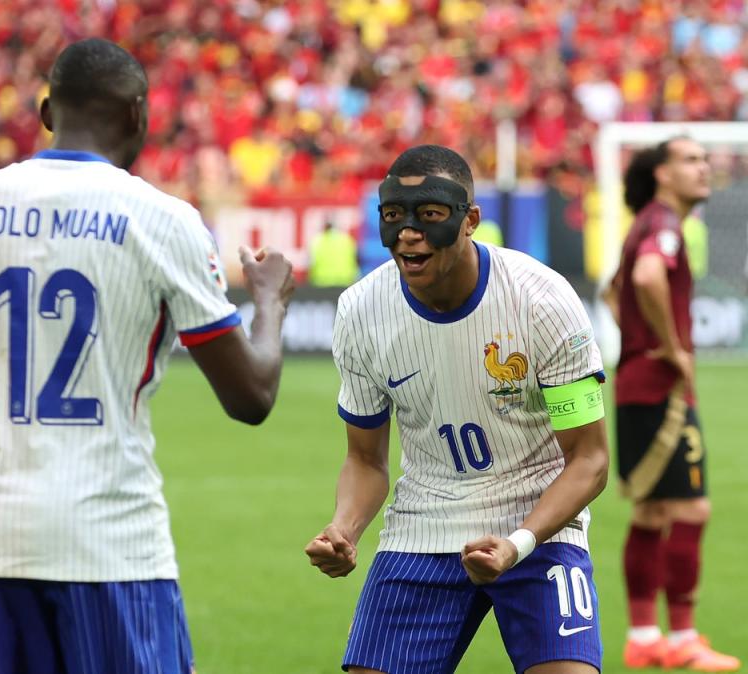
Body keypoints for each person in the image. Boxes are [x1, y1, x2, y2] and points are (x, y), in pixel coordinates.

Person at [0, 38, 294, 674]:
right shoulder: (164, 221)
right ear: (138, 116)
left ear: (47, 113)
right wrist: (269, 303)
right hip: (110, 546)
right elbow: (252, 397)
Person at [305, 144, 610, 674]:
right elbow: (365, 461)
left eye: (430, 215)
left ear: (470, 220)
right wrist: (344, 529)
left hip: (538, 530)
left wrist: (517, 544)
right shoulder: (360, 310)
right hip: (422, 528)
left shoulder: (542, 299)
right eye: (393, 216)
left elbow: (589, 459)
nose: (407, 232)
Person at [607, 138, 740, 672]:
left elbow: (613, 291)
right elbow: (641, 279)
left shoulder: (645, 222)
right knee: (691, 509)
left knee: (652, 511)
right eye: (690, 159)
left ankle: (643, 637)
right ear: (662, 174)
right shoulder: (663, 222)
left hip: (636, 384)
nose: (704, 167)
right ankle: (682, 638)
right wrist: (672, 347)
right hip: (660, 388)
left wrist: (639, 339)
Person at [309, 219, 360, 287]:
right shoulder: (347, 239)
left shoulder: (318, 241)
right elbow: (356, 260)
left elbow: (312, 263)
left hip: (323, 283)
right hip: (345, 282)